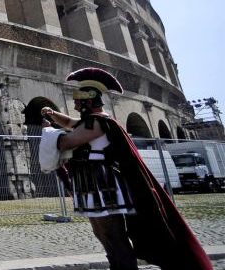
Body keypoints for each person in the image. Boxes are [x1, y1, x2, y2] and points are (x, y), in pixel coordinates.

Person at [40, 67, 211, 270]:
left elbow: (67, 141)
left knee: (111, 236)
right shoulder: (94, 121)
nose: (75, 104)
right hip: (96, 185)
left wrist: (49, 131)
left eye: (78, 100)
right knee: (106, 235)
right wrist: (53, 115)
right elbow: (69, 123)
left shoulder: (97, 123)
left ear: (89, 100)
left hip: (102, 187)